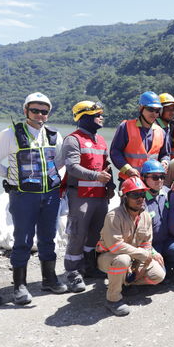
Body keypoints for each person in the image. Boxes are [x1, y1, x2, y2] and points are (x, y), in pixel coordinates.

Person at [0, 92, 67, 304]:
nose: (40, 115)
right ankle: (20, 286)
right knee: (23, 239)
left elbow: (59, 162)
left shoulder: (54, 135)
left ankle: (49, 279)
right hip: (23, 196)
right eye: (35, 110)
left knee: (48, 237)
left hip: (50, 195)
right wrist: (11, 176)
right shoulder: (10, 134)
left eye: (44, 111)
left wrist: (55, 181)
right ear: (26, 111)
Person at [62, 101, 114, 293]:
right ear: (84, 117)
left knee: (95, 234)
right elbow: (72, 167)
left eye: (101, 113)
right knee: (77, 234)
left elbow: (106, 165)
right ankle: (73, 272)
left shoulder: (100, 140)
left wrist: (110, 184)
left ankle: (89, 267)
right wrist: (96, 176)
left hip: (100, 196)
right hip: (80, 196)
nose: (101, 117)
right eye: (97, 114)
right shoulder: (72, 140)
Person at [96, 176, 165, 316]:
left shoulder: (145, 216)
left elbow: (146, 243)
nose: (140, 198)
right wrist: (143, 255)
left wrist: (141, 265)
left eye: (142, 194)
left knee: (159, 275)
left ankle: (127, 283)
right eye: (134, 195)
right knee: (122, 260)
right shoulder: (114, 216)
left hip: (133, 258)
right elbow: (115, 247)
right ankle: (113, 299)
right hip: (109, 257)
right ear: (125, 197)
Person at [110, 91, 170, 181]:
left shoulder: (161, 132)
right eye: (150, 109)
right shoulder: (125, 127)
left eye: (157, 111)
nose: (154, 114)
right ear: (141, 108)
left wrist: (165, 162)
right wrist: (127, 169)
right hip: (130, 182)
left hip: (152, 183)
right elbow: (115, 152)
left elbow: (165, 154)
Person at [140, 160, 174, 273]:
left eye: (162, 177)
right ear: (144, 178)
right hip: (146, 245)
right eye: (155, 177)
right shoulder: (138, 199)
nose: (160, 180)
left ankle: (165, 269)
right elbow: (137, 234)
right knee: (156, 273)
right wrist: (152, 251)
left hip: (165, 241)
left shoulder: (168, 193)